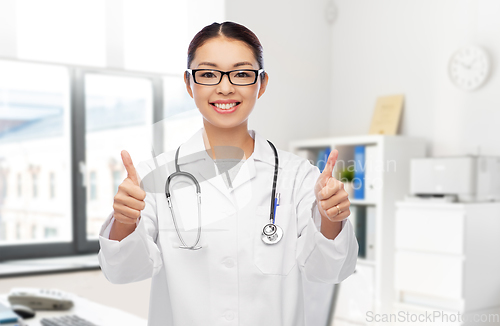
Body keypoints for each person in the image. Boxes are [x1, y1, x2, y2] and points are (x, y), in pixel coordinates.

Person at [98, 21, 358, 326]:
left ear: (261, 84)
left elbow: (330, 271)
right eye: (208, 74)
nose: (225, 87)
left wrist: (331, 218)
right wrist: (125, 222)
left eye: (242, 73)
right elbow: (123, 272)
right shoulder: (155, 177)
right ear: (188, 83)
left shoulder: (298, 176)